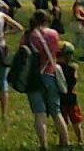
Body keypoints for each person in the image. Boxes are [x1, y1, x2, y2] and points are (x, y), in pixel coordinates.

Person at [21, 10, 70, 150]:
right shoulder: (53, 34)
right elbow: (55, 52)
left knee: (39, 113)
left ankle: (43, 145)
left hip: (33, 77)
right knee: (56, 111)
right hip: (49, 73)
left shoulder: (28, 35)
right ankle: (65, 143)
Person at [57, 42, 84, 146]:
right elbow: (74, 80)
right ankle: (80, 140)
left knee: (62, 120)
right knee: (76, 120)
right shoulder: (73, 68)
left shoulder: (56, 68)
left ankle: (62, 141)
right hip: (72, 97)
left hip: (61, 97)